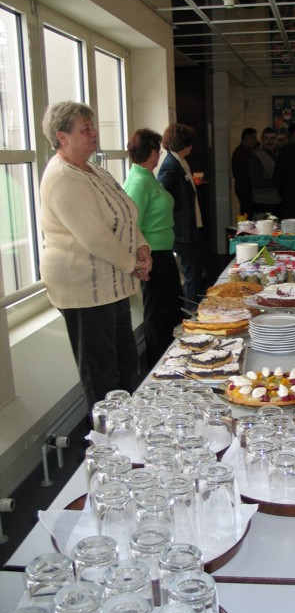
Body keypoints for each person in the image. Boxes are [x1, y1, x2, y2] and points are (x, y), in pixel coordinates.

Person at [39, 101, 152, 413]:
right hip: (84, 290)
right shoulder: (63, 177)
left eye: (92, 126)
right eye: (85, 129)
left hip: (112, 285)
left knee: (126, 364)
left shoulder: (94, 170)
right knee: (102, 377)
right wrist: (133, 265)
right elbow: (95, 236)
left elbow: (127, 213)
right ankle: (108, 439)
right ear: (62, 137)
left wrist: (141, 246)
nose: (94, 133)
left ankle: (130, 429)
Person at [123, 128, 183, 369]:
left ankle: (173, 358)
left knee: (172, 308)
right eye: (157, 150)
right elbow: (131, 226)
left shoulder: (147, 177)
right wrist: (140, 261)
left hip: (163, 253)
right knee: (158, 313)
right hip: (152, 256)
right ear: (150, 153)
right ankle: (158, 366)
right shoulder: (138, 182)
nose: (159, 155)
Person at [157, 123, 221, 308]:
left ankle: (198, 304)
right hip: (182, 231)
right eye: (190, 143)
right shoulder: (170, 166)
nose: (192, 146)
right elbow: (163, 197)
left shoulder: (181, 162)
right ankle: (191, 312)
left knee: (212, 266)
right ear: (183, 143)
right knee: (193, 273)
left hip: (192, 228)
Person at [248, 127, 282, 220]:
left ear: (276, 140)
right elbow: (256, 181)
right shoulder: (256, 156)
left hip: (277, 201)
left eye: (272, 138)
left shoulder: (279, 154)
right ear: (262, 140)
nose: (270, 141)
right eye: (266, 139)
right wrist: (278, 181)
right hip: (262, 203)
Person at [231, 127, 257, 215]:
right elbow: (249, 172)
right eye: (254, 138)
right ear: (248, 138)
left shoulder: (240, 151)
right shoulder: (244, 153)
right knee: (248, 212)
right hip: (245, 187)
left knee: (246, 211)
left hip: (242, 186)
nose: (255, 141)